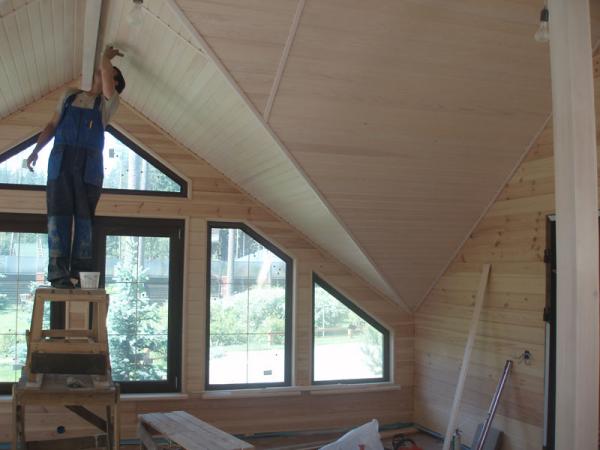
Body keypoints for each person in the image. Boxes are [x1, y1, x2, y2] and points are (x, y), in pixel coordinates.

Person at [26, 46, 126, 289]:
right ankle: (58, 274)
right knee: (57, 216)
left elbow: (105, 71)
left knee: (84, 219)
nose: (102, 72)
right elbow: (52, 125)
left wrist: (106, 57)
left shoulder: (108, 104)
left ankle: (80, 274)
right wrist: (36, 150)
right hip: (60, 161)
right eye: (105, 70)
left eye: (109, 74)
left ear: (113, 84)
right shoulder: (70, 95)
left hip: (89, 167)